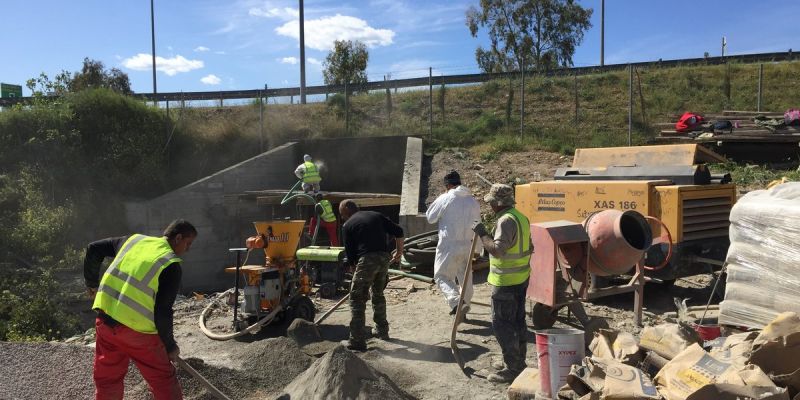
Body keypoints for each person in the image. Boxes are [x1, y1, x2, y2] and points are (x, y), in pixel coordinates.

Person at [85, 219, 198, 400]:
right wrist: (170, 345)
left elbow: (94, 248)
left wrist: (91, 283)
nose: (188, 249)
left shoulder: (133, 241)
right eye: (188, 243)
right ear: (178, 238)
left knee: (108, 380)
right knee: (163, 381)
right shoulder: (170, 264)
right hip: (138, 334)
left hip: (106, 324)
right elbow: (162, 312)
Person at [473, 184, 532, 384]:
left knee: (502, 325)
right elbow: (528, 246)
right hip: (521, 278)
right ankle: (518, 361)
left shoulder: (506, 221)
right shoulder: (520, 217)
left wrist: (482, 233)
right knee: (517, 322)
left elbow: (498, 251)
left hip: (506, 282)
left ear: (498, 203)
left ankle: (513, 369)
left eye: (491, 203)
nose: (490, 206)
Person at [339, 199, 404, 351]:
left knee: (356, 298)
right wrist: (399, 252)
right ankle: (382, 331)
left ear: (347, 211)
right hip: (384, 259)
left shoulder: (347, 225)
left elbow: (351, 257)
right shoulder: (376, 215)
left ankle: (357, 340)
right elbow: (399, 231)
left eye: (342, 214)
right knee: (378, 294)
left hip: (367, 260)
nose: (342, 217)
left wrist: (359, 282)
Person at [425, 170, 482, 316]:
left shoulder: (446, 198)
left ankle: (456, 302)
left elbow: (430, 217)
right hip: (468, 245)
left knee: (441, 276)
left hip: (449, 245)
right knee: (465, 276)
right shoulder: (472, 201)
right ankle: (465, 304)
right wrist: (478, 249)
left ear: (448, 185)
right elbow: (478, 225)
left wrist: (442, 200)